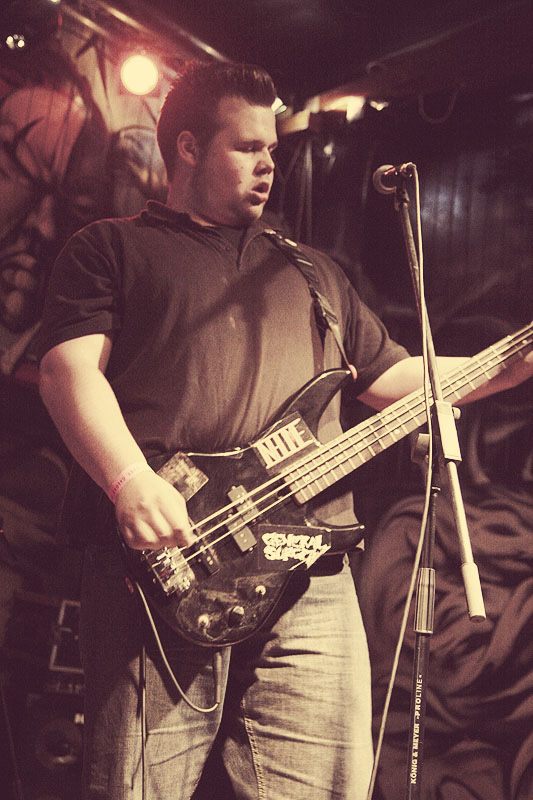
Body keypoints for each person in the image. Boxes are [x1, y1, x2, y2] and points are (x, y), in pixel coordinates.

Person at [37, 61, 533, 800]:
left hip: (311, 568)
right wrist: (128, 478)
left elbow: (403, 383)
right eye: (246, 147)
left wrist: (511, 362)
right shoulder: (113, 247)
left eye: (272, 148)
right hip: (172, 554)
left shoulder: (313, 275)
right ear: (187, 148)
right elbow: (67, 371)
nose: (268, 164)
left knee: (323, 785)